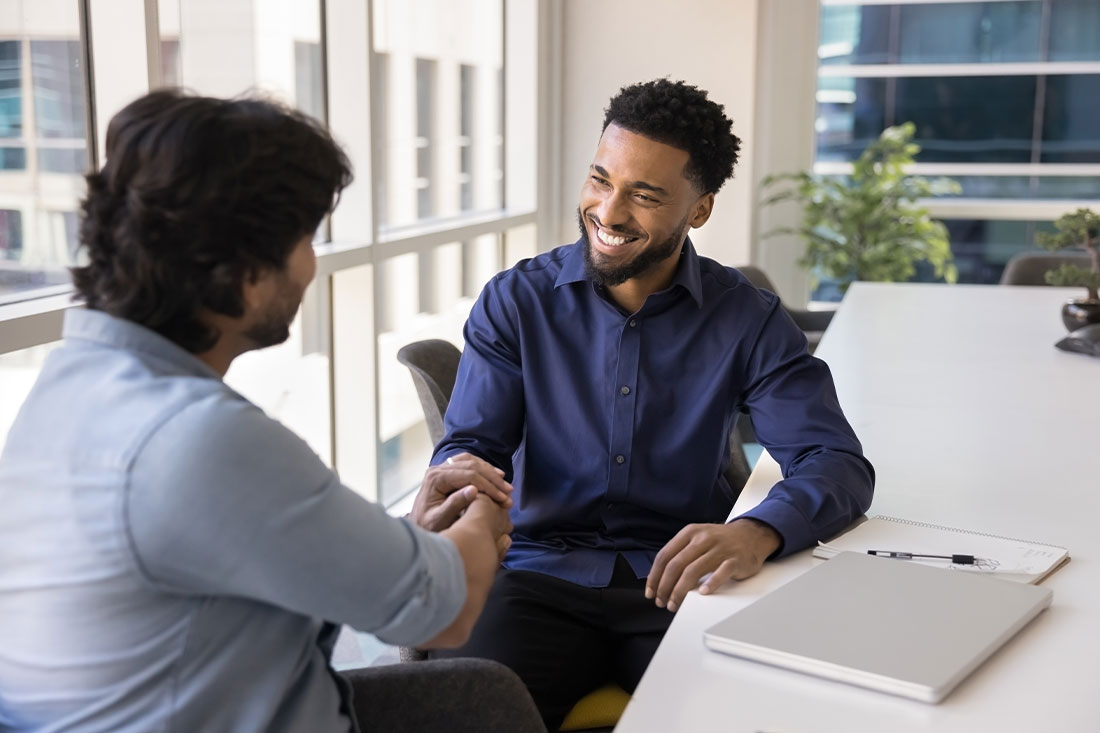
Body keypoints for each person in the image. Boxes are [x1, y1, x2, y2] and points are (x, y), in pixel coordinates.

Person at [0, 90, 543, 733]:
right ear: (244, 270)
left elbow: (256, 543)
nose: (313, 266)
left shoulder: (70, 385)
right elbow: (442, 611)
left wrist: (410, 538)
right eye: (305, 239)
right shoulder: (200, 438)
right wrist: (486, 511)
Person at [415, 79, 876, 729]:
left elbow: (836, 463)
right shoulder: (517, 301)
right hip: (534, 575)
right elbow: (476, 447)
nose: (608, 210)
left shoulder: (747, 318)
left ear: (700, 209)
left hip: (686, 583)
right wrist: (459, 474)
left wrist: (757, 532)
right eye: (601, 179)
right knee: (465, 715)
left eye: (645, 194)